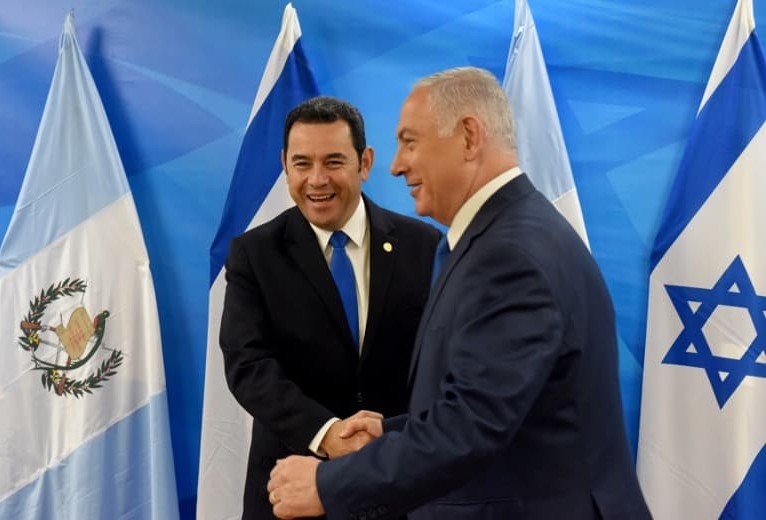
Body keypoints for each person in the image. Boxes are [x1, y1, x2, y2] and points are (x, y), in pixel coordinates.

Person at [266, 67, 651, 519]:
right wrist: (390, 434)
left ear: (469, 137)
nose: (396, 164)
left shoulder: (509, 255)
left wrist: (327, 485)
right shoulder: (503, 236)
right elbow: (498, 403)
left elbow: (472, 425)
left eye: (410, 142)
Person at [220, 95, 440, 519]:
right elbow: (248, 365)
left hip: (399, 489)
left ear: (366, 161)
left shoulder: (425, 247)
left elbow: (438, 363)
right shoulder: (254, 254)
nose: (317, 180)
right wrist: (328, 434)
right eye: (302, 164)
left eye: (334, 162)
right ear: (285, 163)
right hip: (291, 490)